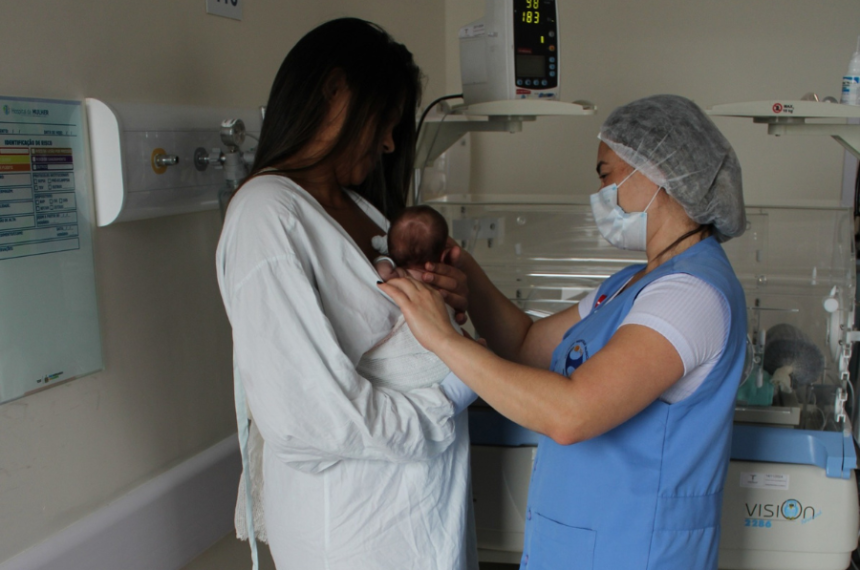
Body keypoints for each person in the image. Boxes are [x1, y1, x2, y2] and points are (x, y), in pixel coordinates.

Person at [381, 94, 748, 570]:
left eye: (606, 174)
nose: (600, 192)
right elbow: (528, 345)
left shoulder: (690, 295)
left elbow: (571, 413)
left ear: (656, 170)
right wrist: (463, 272)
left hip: (636, 555)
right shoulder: (630, 284)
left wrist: (443, 340)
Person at [216, 18, 478, 570]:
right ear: (335, 91)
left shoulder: (364, 212)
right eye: (384, 119)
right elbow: (305, 419)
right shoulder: (268, 215)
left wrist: (451, 312)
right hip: (355, 532)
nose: (388, 142)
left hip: (422, 516)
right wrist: (444, 399)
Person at [373, 204, 451, 281]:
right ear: (442, 256)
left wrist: (385, 260)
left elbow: (383, 273)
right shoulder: (442, 277)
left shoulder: (407, 274)